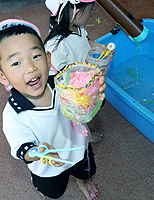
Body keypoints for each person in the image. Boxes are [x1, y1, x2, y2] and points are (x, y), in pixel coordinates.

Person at [0, 19, 106, 199]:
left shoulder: (64, 84)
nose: (30, 68)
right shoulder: (14, 114)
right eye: (16, 63)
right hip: (47, 168)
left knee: (86, 171)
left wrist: (93, 97)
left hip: (79, 147)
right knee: (53, 192)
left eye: (35, 56)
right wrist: (37, 151)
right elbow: (21, 149)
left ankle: (83, 182)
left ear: (48, 59)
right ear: (2, 76)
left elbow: (84, 110)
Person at [45, 0, 109, 143]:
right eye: (90, 11)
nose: (90, 14)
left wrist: (98, 47)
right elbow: (53, 77)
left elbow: (85, 42)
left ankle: (85, 132)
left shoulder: (77, 27)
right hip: (72, 92)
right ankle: (85, 137)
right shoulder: (57, 46)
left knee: (85, 111)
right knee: (75, 117)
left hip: (85, 81)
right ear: (78, 13)